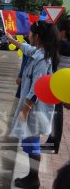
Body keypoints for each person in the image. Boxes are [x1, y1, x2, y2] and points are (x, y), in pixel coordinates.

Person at [6, 20, 60, 189]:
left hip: (34, 109)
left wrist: (25, 109)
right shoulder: (38, 52)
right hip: (32, 108)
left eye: (30, 33)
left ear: (37, 37)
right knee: (30, 142)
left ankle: (33, 179)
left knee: (32, 144)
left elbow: (37, 87)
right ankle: (31, 176)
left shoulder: (43, 59)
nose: (28, 35)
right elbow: (27, 49)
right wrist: (12, 40)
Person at [42, 18, 70, 154]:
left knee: (56, 114)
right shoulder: (65, 44)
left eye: (57, 31)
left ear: (63, 32)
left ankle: (53, 144)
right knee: (56, 114)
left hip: (61, 85)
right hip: (63, 85)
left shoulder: (63, 45)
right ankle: (52, 143)